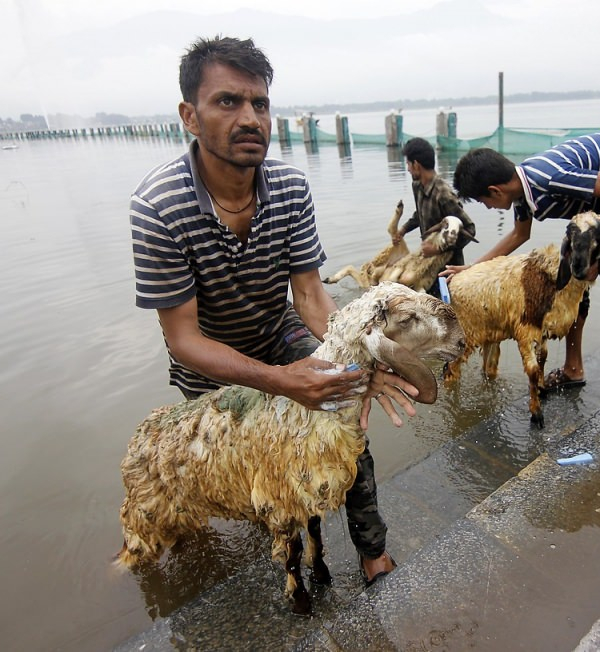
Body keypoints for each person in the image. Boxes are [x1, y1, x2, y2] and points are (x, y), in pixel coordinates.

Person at [128, 36, 405, 585]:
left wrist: (359, 363)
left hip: (277, 331)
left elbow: (309, 297)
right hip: (208, 365)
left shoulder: (291, 187)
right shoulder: (157, 206)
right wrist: (278, 382)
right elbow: (184, 339)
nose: (250, 117)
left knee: (344, 422)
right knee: (255, 471)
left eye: (259, 103)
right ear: (190, 115)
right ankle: (287, 548)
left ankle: (373, 552)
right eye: (228, 102)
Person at [446, 133, 600, 436]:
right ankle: (574, 369)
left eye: (484, 201)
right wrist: (472, 268)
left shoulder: (549, 177)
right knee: (574, 274)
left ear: (495, 190)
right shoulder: (524, 191)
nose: (489, 207)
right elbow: (520, 235)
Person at [395, 137, 476, 297]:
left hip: (448, 268)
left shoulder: (443, 194)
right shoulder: (417, 186)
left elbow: (469, 230)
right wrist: (403, 230)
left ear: (416, 164)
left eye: (408, 164)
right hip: (426, 265)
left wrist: (438, 248)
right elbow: (420, 213)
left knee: (448, 311)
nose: (408, 169)